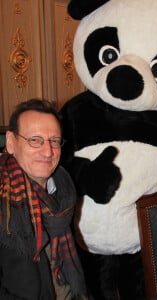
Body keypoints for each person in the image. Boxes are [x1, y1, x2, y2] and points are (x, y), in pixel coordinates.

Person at [0, 99, 87, 299]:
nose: (48, 152)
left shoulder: (64, 189)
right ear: (11, 143)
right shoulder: (5, 201)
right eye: (35, 140)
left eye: (54, 141)